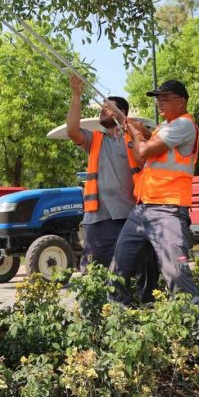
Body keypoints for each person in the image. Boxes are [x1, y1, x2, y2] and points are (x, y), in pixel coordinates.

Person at [106, 79, 199, 306]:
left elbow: (145, 150)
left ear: (182, 101)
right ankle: (118, 317)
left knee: (176, 272)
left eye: (165, 98)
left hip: (168, 209)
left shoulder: (184, 125)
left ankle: (192, 323)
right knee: (117, 270)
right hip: (143, 208)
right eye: (158, 98)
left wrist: (136, 132)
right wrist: (128, 123)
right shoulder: (164, 128)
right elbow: (144, 149)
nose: (159, 103)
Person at [66, 75, 141, 271]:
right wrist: (76, 96)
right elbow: (73, 131)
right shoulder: (96, 140)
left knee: (130, 270)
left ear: (120, 112)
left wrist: (126, 123)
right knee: (95, 271)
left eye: (107, 108)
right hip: (98, 218)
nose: (101, 111)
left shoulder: (134, 137)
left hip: (130, 215)